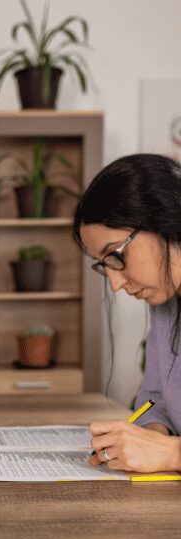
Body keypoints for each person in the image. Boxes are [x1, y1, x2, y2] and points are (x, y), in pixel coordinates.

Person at [73, 153, 181, 473]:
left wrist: (172, 454)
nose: (116, 283)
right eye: (104, 266)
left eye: (116, 255)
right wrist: (148, 437)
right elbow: (154, 396)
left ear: (164, 221)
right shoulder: (165, 307)